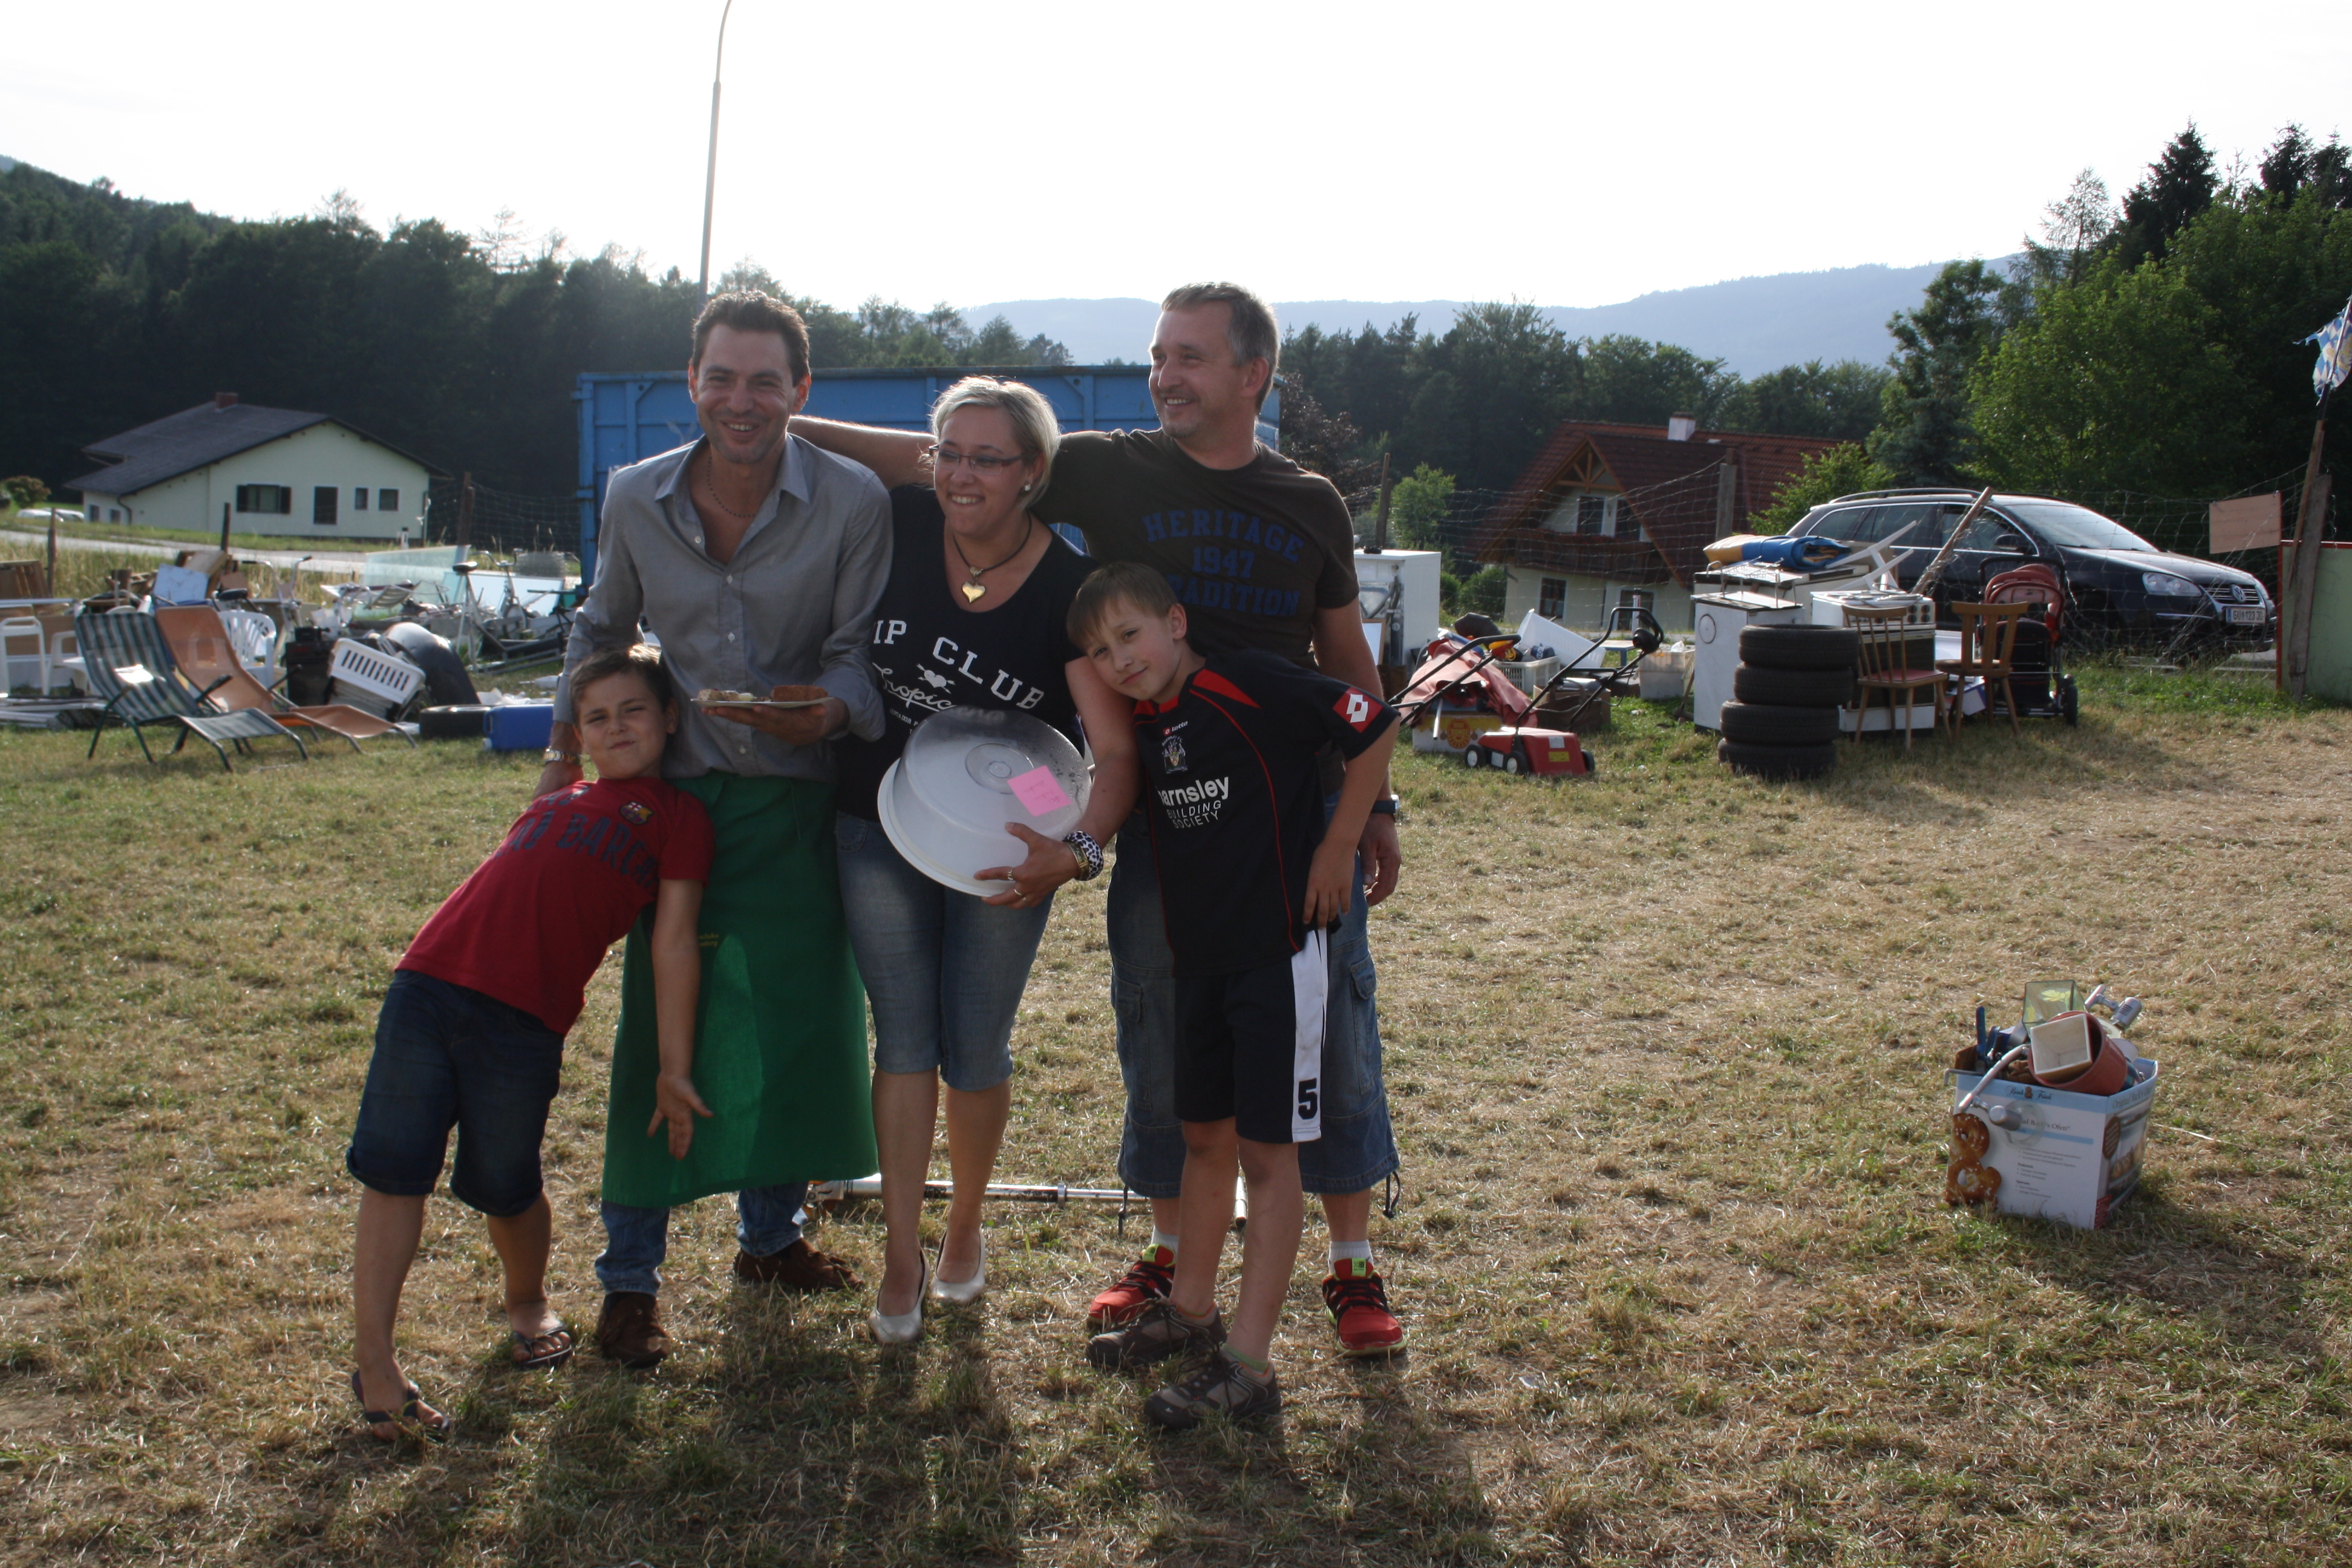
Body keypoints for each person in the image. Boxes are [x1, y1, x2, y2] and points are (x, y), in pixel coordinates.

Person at [794, 283, 1410, 1359]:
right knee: (1160, 1019)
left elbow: (1346, 654)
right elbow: (944, 456)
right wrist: (784, 416)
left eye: (1191, 358)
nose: (1165, 375)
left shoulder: (1310, 499)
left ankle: (1352, 1263)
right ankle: (1171, 1253)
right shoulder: (1104, 464)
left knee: (1332, 1022)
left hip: (1291, 802)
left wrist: (1374, 810)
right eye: (1159, 355)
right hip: (1173, 806)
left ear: (1254, 374)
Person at [546, 290, 891, 1368]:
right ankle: (629, 1284)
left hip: (798, 799)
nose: (742, 400)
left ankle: (770, 1238)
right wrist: (560, 757)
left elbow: (858, 656)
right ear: (691, 381)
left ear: (801, 390)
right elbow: (601, 630)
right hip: (677, 803)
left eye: (764, 381)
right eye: (722, 377)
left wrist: (823, 712)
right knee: (664, 1033)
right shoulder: (635, 494)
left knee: (795, 1025)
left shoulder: (853, 499)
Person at [832, 376, 1140, 1344]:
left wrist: (1076, 851)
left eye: (989, 459)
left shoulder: (1069, 589)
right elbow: (835, 444)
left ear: (1033, 472)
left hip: (1010, 844)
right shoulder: (900, 521)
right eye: (949, 454)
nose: (962, 476)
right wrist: (761, 408)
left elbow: (1114, 753)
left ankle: (964, 1225)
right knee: (902, 1040)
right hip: (877, 818)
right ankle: (900, 1252)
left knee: (975, 1045)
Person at [345, 644, 713, 1439]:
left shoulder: (678, 817)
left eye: (634, 710)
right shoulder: (561, 792)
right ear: (577, 734)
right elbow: (560, 754)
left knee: (506, 1181)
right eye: (596, 717)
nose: (616, 727)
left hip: (524, 1021)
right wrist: (558, 751)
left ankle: (527, 1301)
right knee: (394, 1170)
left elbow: (674, 941)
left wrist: (674, 1068)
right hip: (428, 983)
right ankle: (375, 1365)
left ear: (670, 717)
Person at [1068, 563, 1397, 1426]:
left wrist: (1339, 843)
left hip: (1278, 959)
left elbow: (1373, 724)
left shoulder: (1250, 681)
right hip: (1199, 966)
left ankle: (1250, 1367)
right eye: (1100, 652)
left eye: (1130, 635)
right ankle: (1191, 1312)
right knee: (1203, 1140)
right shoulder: (1148, 723)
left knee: (1268, 1156)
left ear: (1176, 622)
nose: (1119, 660)